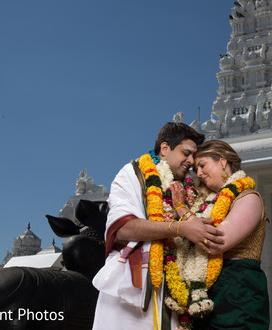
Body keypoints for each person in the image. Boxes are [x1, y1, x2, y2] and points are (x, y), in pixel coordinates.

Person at [92, 122, 224, 330]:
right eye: (186, 153)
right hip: (131, 290)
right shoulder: (133, 175)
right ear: (164, 149)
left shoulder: (188, 189)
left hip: (174, 294)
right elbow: (123, 229)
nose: (191, 161)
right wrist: (180, 228)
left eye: (194, 156)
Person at [168, 139, 270, 330]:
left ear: (222, 161)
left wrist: (182, 210)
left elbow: (216, 242)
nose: (198, 173)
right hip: (209, 295)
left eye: (202, 165)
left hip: (239, 293)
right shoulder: (206, 204)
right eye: (195, 169)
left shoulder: (248, 197)